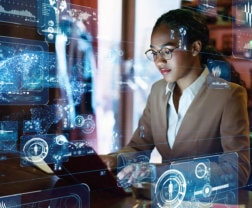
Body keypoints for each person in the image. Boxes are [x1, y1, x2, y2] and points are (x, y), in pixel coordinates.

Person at [101, 8, 251, 188]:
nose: (159, 61)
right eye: (154, 53)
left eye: (167, 51)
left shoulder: (228, 95)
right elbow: (139, 148)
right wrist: (112, 160)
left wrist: (159, 172)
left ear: (195, 48)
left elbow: (236, 171)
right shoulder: (158, 91)